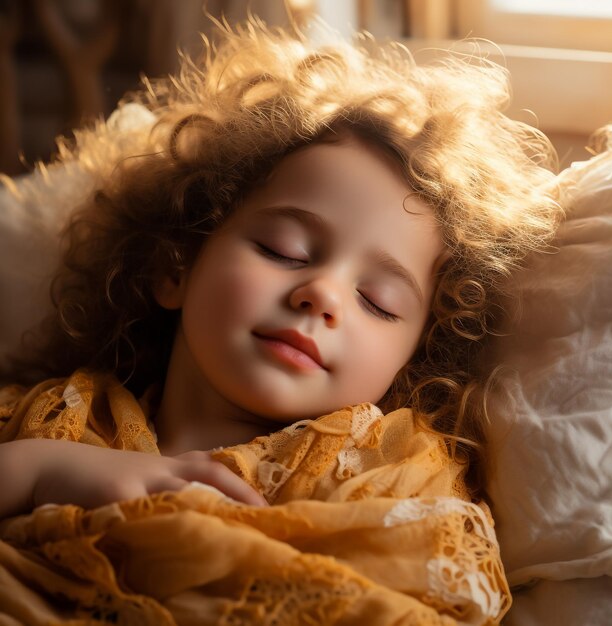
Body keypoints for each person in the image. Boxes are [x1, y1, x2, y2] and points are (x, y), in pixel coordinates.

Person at [0, 18, 560, 624]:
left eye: (377, 300)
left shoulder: (393, 477)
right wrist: (38, 469)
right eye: (284, 250)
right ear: (175, 269)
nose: (321, 294)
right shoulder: (52, 417)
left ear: (412, 355)